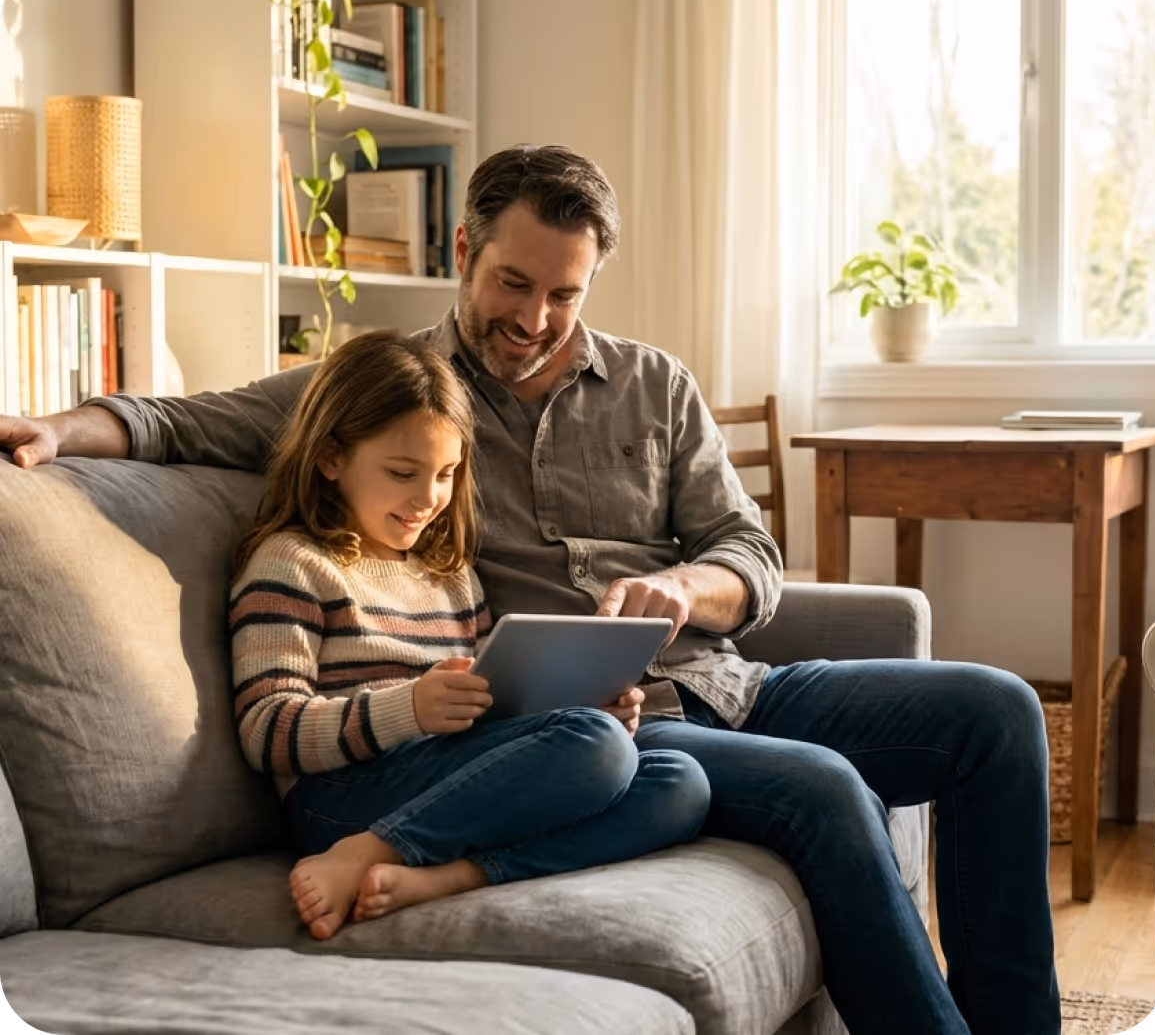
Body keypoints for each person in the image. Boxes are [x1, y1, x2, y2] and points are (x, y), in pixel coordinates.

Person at [0, 144, 1059, 1033]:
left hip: (717, 681)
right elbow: (185, 421)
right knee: (822, 785)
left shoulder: (654, 385)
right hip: (576, 727)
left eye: (564, 292)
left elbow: (749, 551)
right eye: (514, 282)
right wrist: (56, 428)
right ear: (465, 250)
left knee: (994, 710)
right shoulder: (392, 397)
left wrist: (685, 588)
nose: (535, 317)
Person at [226, 327, 710, 941]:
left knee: (679, 782)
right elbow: (266, 731)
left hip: (449, 780)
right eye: (403, 472)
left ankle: (456, 874)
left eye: (446, 473)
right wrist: (410, 709)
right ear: (330, 457)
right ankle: (365, 851)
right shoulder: (292, 563)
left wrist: (581, 707)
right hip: (340, 799)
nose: (427, 498)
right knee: (596, 746)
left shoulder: (450, 575)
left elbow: (490, 712)